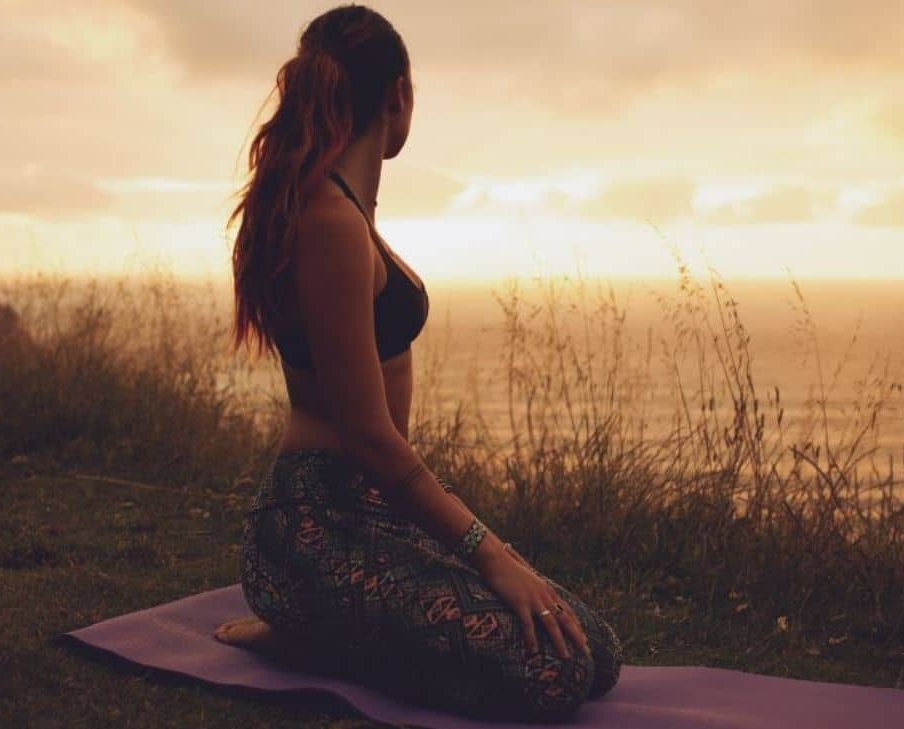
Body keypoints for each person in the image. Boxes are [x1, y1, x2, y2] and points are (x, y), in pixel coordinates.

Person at [213, 4, 623, 722]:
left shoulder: (345, 212)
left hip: (376, 515)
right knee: (553, 675)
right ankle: (314, 637)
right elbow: (367, 434)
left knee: (595, 650)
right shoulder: (329, 222)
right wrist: (485, 549)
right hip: (310, 527)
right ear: (398, 95)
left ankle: (323, 635)